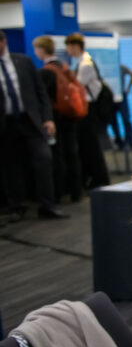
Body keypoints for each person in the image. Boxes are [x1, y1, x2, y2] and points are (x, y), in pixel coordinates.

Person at [0, 31, 66, 220]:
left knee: (43, 159)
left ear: (3, 42)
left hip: (30, 120)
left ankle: (48, 205)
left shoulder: (23, 62)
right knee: (10, 165)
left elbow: (40, 93)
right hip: (6, 124)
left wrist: (48, 118)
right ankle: (16, 206)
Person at [35, 35, 83, 203]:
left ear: (41, 49)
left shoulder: (46, 71)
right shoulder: (64, 67)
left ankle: (60, 191)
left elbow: (43, 99)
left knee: (59, 155)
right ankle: (76, 190)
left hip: (56, 119)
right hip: (71, 115)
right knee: (72, 153)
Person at [65, 32, 110, 188]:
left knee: (92, 145)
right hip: (84, 108)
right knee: (86, 145)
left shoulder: (86, 64)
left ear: (75, 46)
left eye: (69, 47)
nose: (67, 50)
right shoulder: (79, 62)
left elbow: (76, 86)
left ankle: (100, 178)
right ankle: (91, 177)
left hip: (88, 109)